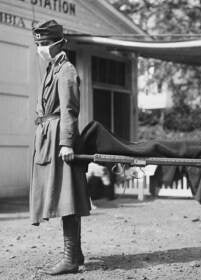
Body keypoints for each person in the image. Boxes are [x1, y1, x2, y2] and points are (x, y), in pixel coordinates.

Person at [30, 20, 91, 274]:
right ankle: (75, 254)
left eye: (44, 44)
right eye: (38, 44)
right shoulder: (51, 69)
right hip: (48, 137)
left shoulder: (65, 70)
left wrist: (67, 143)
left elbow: (69, 110)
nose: (41, 48)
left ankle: (70, 258)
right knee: (63, 197)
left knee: (67, 199)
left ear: (58, 44)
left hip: (59, 140)